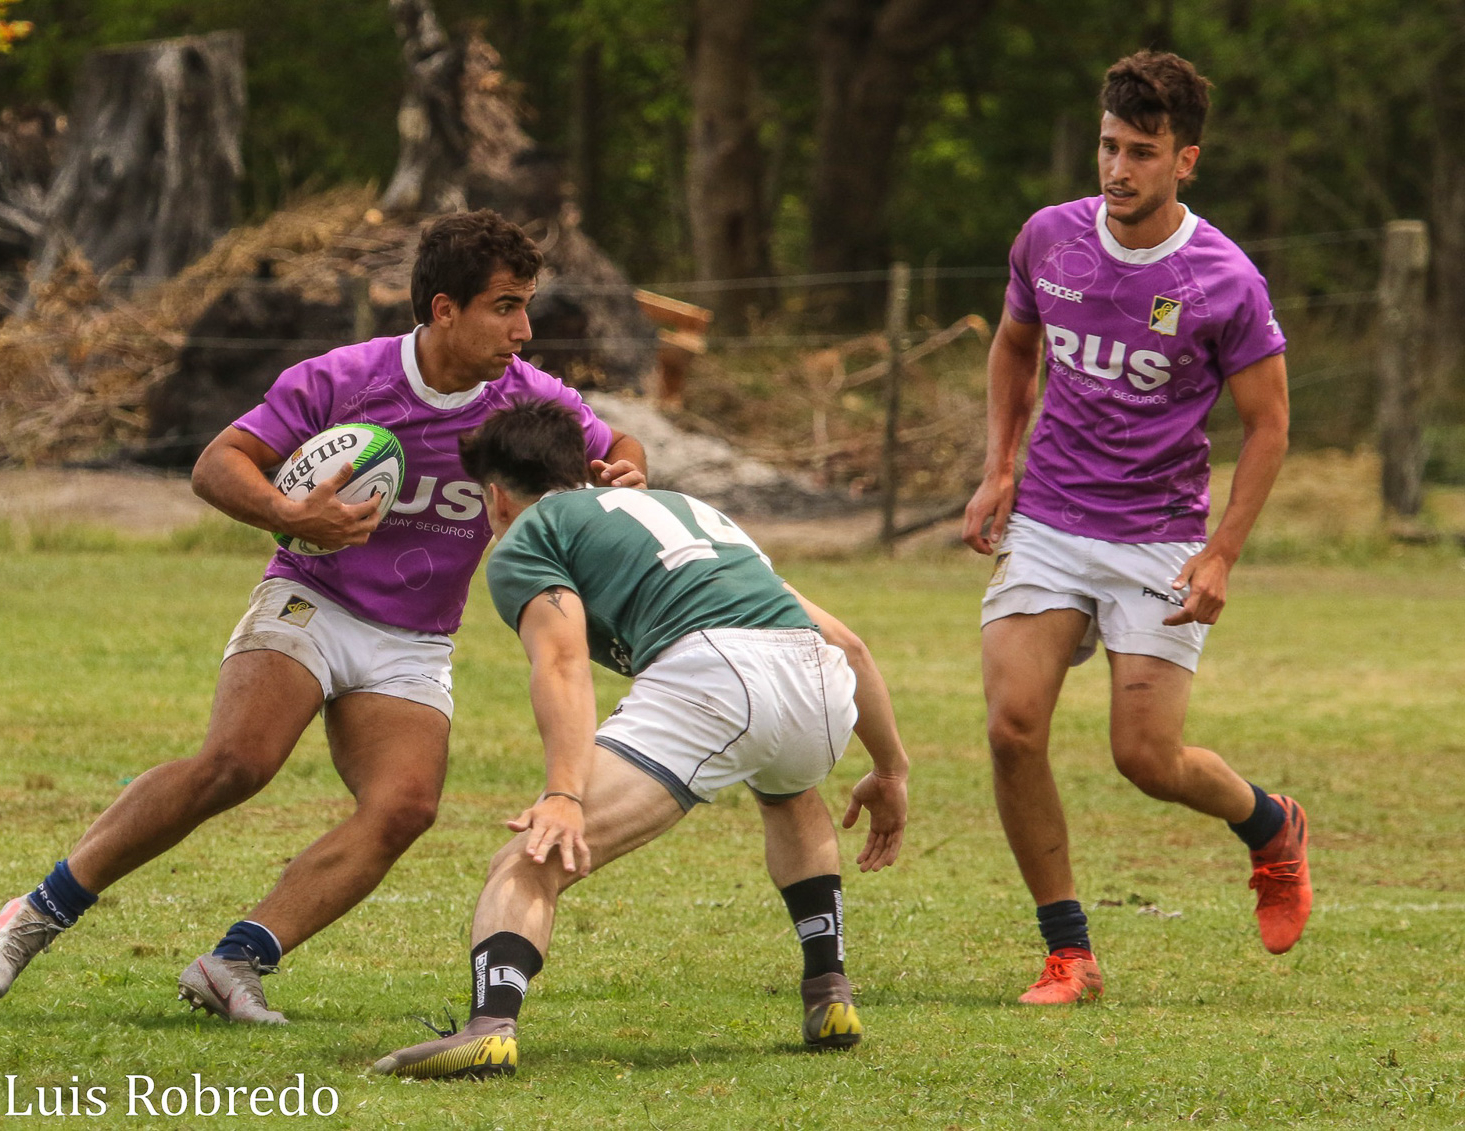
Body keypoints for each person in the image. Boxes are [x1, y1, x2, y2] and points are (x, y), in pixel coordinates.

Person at [0, 210, 647, 1023]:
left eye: (526, 304)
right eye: (505, 305)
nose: (524, 328)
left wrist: (623, 474)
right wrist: (293, 514)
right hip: (312, 597)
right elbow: (217, 463)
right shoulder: (346, 377)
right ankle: (37, 910)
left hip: (415, 637)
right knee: (237, 762)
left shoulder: (525, 396)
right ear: (443, 310)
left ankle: (235, 961)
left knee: (405, 807)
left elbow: (623, 443)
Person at [371, 401, 910, 1079]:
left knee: (530, 856)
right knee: (788, 788)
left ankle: (489, 1026)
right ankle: (829, 992)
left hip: (715, 677)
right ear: (585, 467)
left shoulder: (525, 535)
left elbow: (562, 661)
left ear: (499, 495)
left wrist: (564, 793)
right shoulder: (686, 509)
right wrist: (890, 769)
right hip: (817, 682)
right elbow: (850, 645)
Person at [960, 51, 1309, 1005]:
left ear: (1185, 160)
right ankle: (1068, 950)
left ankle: (1272, 827)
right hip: (1052, 520)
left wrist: (1222, 552)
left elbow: (1270, 425)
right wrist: (1001, 465)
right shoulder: (1049, 239)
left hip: (1158, 535)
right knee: (1011, 725)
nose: (1118, 170)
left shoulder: (1225, 280)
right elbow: (1014, 342)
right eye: (1109, 147)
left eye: (1142, 153)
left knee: (1145, 758)